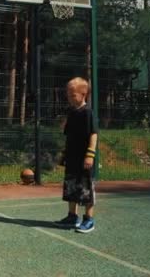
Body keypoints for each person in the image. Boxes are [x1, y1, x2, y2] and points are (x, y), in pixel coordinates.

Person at [54, 77, 98, 233]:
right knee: (71, 187)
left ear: (83, 94)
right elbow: (69, 136)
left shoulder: (88, 112)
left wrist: (90, 155)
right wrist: (64, 154)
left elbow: (93, 134)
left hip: (84, 159)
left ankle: (89, 220)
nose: (69, 98)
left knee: (86, 189)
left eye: (73, 95)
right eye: (68, 94)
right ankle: (72, 217)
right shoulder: (72, 112)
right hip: (71, 158)